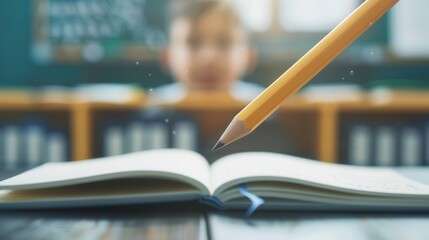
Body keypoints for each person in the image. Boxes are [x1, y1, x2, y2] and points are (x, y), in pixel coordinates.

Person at [151, 0, 263, 103]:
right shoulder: (149, 108)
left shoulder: (267, 109)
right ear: (167, 56)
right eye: (193, 43)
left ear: (249, 57)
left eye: (224, 43)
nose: (209, 58)